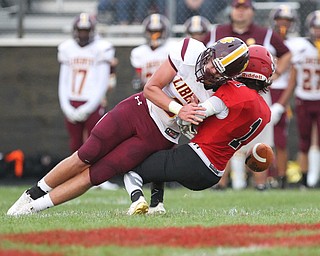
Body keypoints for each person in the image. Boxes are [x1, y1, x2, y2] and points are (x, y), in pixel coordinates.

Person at [7, 36, 249, 216]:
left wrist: (189, 122)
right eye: (210, 61)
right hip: (138, 109)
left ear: (227, 78)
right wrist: (179, 109)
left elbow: (200, 133)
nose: (207, 68)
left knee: (97, 174)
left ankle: (32, 209)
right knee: (86, 154)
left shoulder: (221, 97)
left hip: (160, 136)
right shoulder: (190, 50)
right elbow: (151, 88)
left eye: (216, 70)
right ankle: (31, 194)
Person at [124, 44, 274, 215]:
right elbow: (221, 125)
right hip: (214, 173)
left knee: (132, 169)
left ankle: (136, 201)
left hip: (195, 159)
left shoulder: (234, 91)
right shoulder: (265, 111)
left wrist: (188, 109)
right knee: (160, 161)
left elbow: (195, 116)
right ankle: (156, 205)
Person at [204, 0, 291, 190]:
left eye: (244, 8)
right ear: (231, 10)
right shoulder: (217, 32)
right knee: (223, 134)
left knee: (259, 139)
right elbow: (200, 52)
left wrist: (276, 74)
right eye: (237, 8)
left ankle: (260, 183)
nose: (240, 13)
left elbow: (286, 53)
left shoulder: (265, 33)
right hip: (227, 91)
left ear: (251, 11)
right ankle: (220, 182)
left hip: (257, 91)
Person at [57, 13, 118, 191]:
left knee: (97, 141)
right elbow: (63, 80)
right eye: (80, 31)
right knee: (75, 143)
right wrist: (66, 106)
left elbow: (102, 81)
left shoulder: (102, 48)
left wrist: (91, 105)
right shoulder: (67, 48)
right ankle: (76, 177)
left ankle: (99, 177)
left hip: (93, 101)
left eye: (86, 31)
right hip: (73, 100)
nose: (83, 34)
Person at [271, 10, 320, 189]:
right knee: (304, 140)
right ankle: (306, 178)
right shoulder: (297, 45)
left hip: (316, 97)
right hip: (304, 97)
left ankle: (313, 177)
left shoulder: (296, 44)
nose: (318, 31)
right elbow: (291, 74)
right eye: (315, 27)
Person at [267, 4, 303, 189]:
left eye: (288, 21)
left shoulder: (296, 45)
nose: (284, 24)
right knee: (259, 138)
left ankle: (281, 178)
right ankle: (263, 177)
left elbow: (292, 80)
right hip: (264, 91)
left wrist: (281, 105)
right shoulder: (266, 40)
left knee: (280, 139)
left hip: (281, 93)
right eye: (281, 20)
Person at [130, 13, 173, 92]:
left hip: (170, 91)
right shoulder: (138, 52)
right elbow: (138, 79)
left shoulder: (173, 48)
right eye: (152, 32)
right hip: (149, 92)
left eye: (158, 32)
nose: (155, 35)